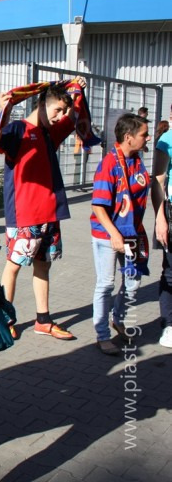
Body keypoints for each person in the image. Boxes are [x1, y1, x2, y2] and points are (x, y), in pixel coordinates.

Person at [0, 78, 87, 340]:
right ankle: (5, 318)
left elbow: (74, 119)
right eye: (57, 110)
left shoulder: (49, 132)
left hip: (49, 214)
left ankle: (43, 320)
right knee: (14, 266)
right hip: (24, 215)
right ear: (42, 104)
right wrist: (4, 110)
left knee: (43, 266)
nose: (61, 116)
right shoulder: (18, 129)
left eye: (64, 111)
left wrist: (78, 90)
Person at [90, 113, 151, 355]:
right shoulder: (109, 164)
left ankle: (119, 319)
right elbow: (98, 206)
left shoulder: (136, 160)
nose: (148, 138)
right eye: (144, 134)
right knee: (106, 284)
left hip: (132, 233)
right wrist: (114, 234)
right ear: (128, 137)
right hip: (108, 235)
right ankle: (102, 335)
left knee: (133, 282)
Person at [151, 118, 172, 348]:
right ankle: (168, 325)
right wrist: (160, 218)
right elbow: (157, 181)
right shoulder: (167, 139)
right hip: (171, 210)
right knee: (171, 271)